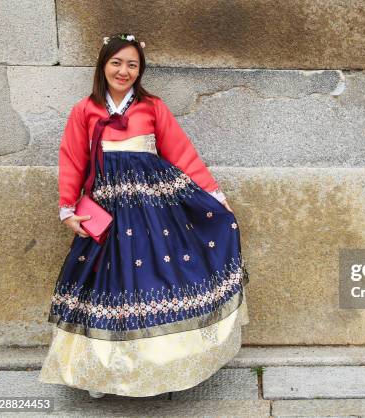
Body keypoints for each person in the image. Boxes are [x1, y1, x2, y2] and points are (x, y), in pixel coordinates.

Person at [38, 33, 250, 398]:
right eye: (116, 63)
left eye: (132, 65)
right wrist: (68, 208)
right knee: (108, 283)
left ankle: (164, 364)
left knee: (159, 277)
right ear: (103, 65)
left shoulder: (153, 107)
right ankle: (101, 371)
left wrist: (215, 196)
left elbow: (182, 154)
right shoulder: (85, 110)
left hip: (154, 211)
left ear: (140, 70)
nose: (124, 71)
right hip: (107, 211)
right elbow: (72, 159)